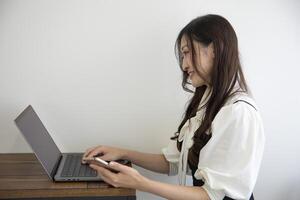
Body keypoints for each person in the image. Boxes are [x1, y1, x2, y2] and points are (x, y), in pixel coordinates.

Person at [82, 14, 265, 200]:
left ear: (215, 49)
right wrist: (123, 153)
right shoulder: (206, 102)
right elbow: (174, 161)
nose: (184, 65)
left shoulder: (238, 113)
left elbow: (212, 195)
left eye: (186, 52)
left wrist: (141, 183)